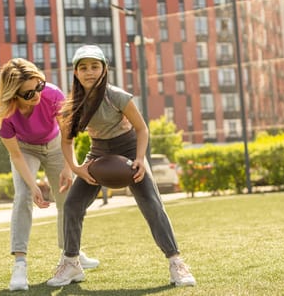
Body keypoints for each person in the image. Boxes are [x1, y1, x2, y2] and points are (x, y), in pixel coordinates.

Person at [46, 45, 196, 288]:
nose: (89, 72)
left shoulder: (116, 95)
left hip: (128, 149)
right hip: (97, 152)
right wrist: (76, 168)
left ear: (104, 69)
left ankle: (176, 262)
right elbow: (66, 140)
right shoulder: (72, 104)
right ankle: (71, 263)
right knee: (73, 204)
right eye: (83, 67)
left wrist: (139, 159)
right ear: (75, 72)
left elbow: (142, 129)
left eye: (95, 66)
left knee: (151, 204)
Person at [0, 58, 99, 291]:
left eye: (39, 85)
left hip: (56, 145)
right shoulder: (4, 116)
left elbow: (68, 133)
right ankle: (19, 264)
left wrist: (69, 166)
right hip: (25, 149)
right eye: (28, 93)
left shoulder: (52, 95)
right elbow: (16, 155)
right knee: (23, 196)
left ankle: (71, 255)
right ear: (13, 94)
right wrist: (33, 185)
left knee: (67, 198)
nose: (37, 94)